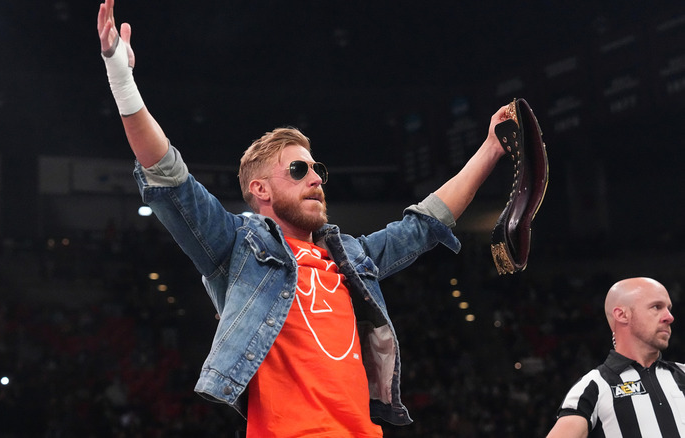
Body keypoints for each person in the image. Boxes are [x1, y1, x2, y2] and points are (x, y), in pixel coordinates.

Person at [97, 1, 510, 435]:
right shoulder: (236, 249)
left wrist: (490, 149)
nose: (315, 178)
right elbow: (169, 178)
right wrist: (121, 79)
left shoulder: (352, 257)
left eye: (317, 170)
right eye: (298, 169)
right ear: (260, 190)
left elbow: (424, 224)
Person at [546, 277, 685, 438]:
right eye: (656, 307)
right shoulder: (594, 386)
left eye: (668, 308)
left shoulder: (682, 373)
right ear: (622, 315)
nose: (669, 317)